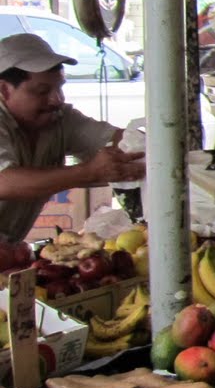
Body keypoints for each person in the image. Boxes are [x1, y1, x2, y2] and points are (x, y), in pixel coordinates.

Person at [0, 34, 145, 243]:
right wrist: (89, 172)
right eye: (42, 91)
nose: (57, 99)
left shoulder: (60, 118)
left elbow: (125, 142)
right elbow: (5, 182)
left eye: (59, 87)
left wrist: (161, 147)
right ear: (4, 90)